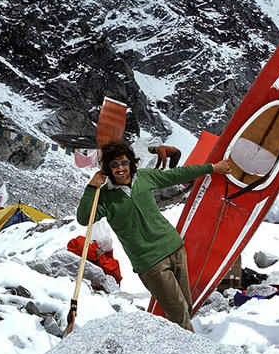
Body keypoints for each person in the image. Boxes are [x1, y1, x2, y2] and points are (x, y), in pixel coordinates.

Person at [77, 141, 231, 331]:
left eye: (124, 163)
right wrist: (91, 188)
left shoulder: (144, 177)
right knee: (178, 314)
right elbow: (84, 218)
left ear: (130, 163)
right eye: (114, 165)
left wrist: (212, 168)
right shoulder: (105, 197)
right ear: (107, 169)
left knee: (186, 308)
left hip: (174, 247)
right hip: (150, 262)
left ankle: (184, 347)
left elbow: (176, 175)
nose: (120, 169)